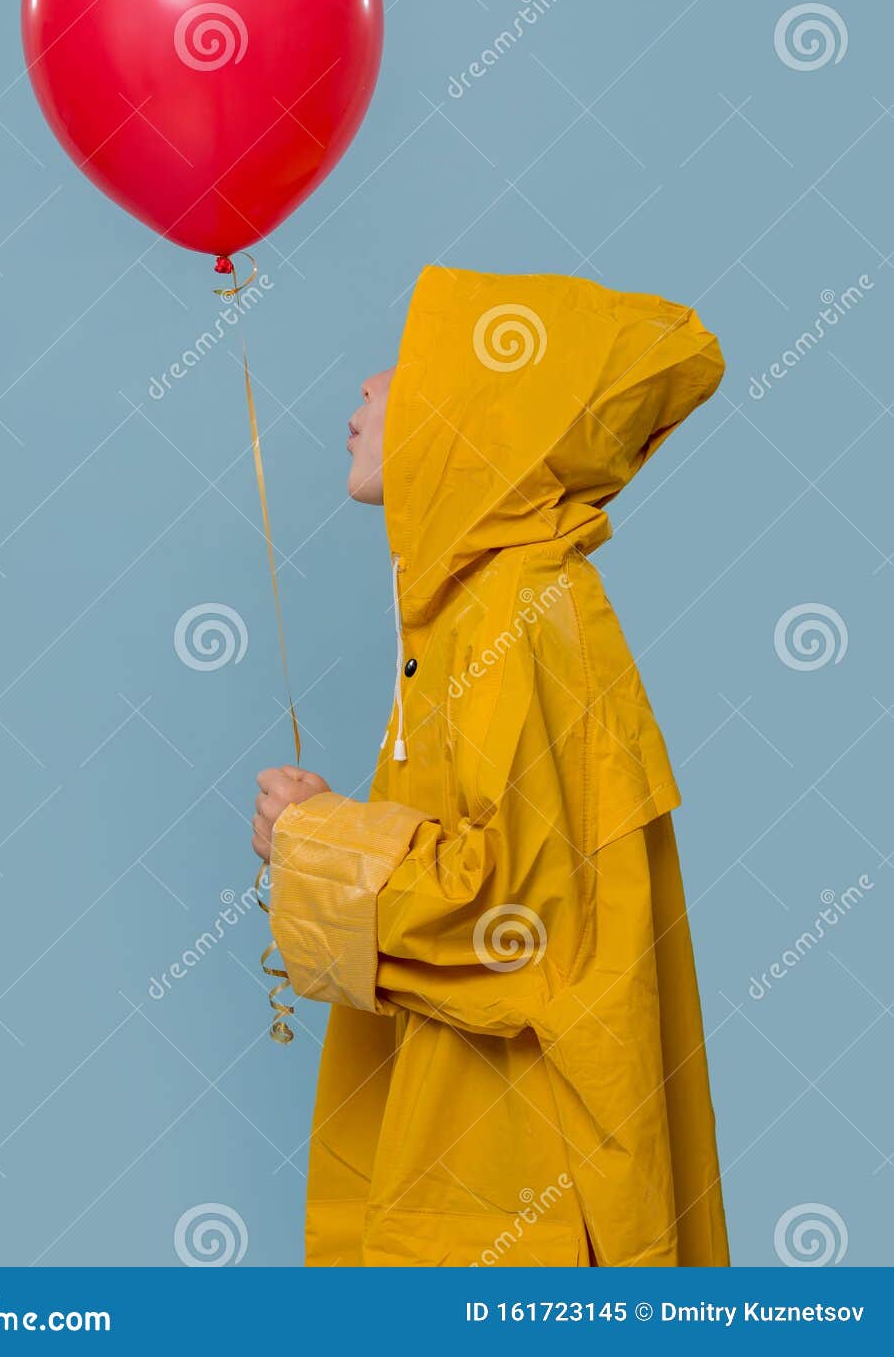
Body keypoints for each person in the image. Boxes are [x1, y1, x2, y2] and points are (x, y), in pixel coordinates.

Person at [252, 265, 730, 1269]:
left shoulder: (526, 618)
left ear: (479, 412)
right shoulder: (471, 613)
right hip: (482, 1177)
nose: (366, 389)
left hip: (529, 1213)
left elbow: (517, 916)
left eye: (408, 362)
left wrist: (313, 841)